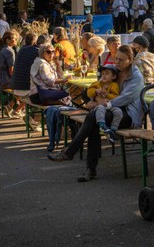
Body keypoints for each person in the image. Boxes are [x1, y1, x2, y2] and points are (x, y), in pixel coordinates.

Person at [48, 45, 144, 182]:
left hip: (127, 115)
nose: (116, 62)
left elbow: (126, 98)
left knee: (93, 116)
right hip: (109, 110)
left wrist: (104, 103)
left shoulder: (136, 77)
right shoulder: (113, 71)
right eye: (116, 58)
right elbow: (94, 87)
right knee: (93, 121)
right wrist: (95, 97)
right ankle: (88, 168)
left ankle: (73, 154)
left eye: (121, 60)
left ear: (130, 60)